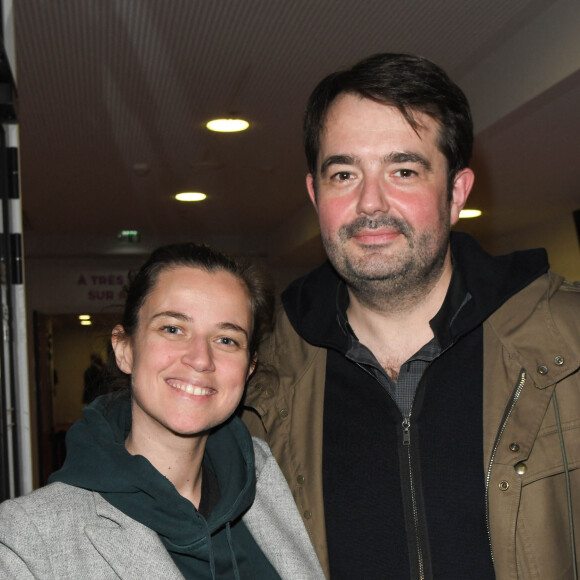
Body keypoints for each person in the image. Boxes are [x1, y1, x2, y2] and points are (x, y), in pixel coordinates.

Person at [242, 53, 580, 579]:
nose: (370, 202)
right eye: (343, 173)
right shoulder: (259, 385)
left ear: (455, 194)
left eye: (402, 170)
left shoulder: (570, 343)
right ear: (315, 194)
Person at [0, 243, 324, 580]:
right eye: (173, 329)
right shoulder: (27, 541)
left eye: (227, 339)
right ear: (124, 349)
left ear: (249, 368)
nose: (200, 358)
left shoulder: (267, 478)